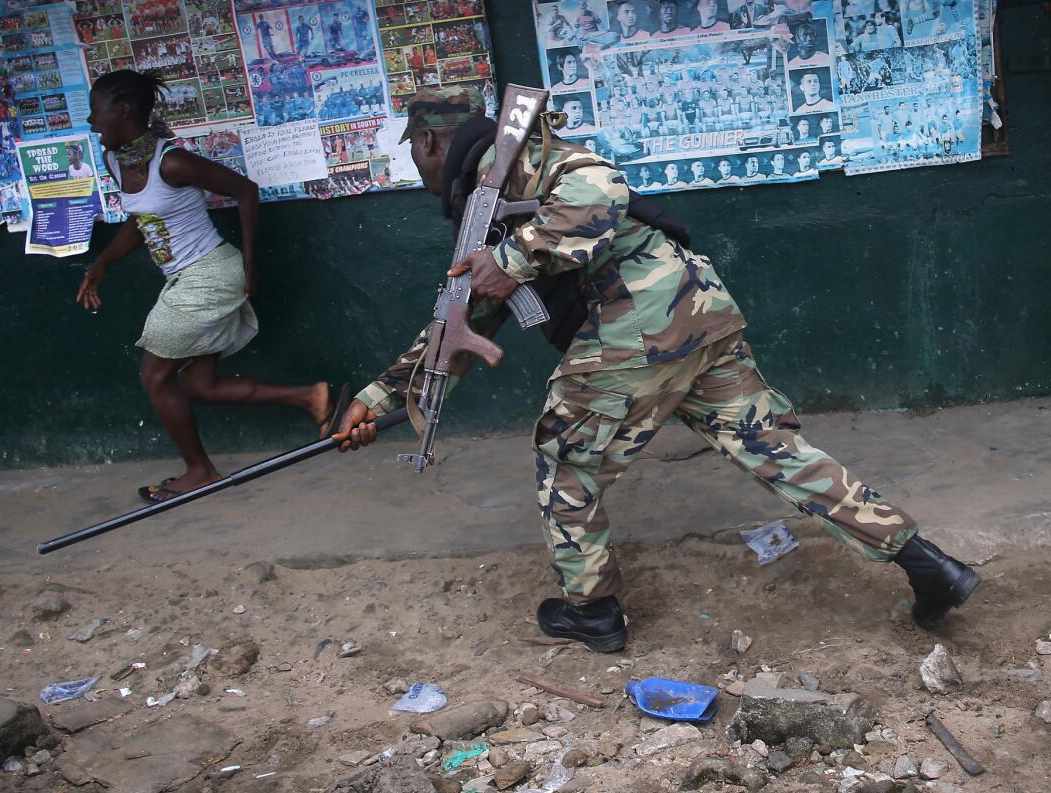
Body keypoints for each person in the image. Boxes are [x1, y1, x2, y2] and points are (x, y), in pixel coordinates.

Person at [335, 87, 980, 652]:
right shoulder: (483, 204)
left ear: (428, 142)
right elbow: (465, 319)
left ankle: (591, 612)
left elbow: (601, 189)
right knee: (774, 450)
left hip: (639, 328)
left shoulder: (527, 162)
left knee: (566, 462)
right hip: (694, 317)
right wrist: (382, 399)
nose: (415, 166)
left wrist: (519, 256)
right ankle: (926, 564)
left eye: (413, 151)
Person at [78, 70, 341, 502]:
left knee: (154, 376)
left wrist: (252, 262)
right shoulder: (115, 161)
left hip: (209, 275)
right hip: (183, 280)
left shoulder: (172, 162)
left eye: (96, 112)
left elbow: (245, 191)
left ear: (123, 111)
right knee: (200, 386)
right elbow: (142, 221)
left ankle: (200, 471)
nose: (92, 122)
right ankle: (312, 397)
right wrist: (102, 264)